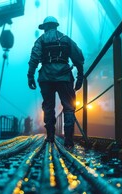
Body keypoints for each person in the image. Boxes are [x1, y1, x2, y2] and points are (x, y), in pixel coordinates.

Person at [27, 16, 85, 148]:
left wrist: (30, 76)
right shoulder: (66, 39)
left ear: (45, 27)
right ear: (55, 26)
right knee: (69, 107)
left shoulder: (40, 40)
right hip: (64, 77)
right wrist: (80, 77)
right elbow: (79, 58)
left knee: (48, 106)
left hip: (46, 78)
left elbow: (34, 58)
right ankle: (68, 140)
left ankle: (50, 137)